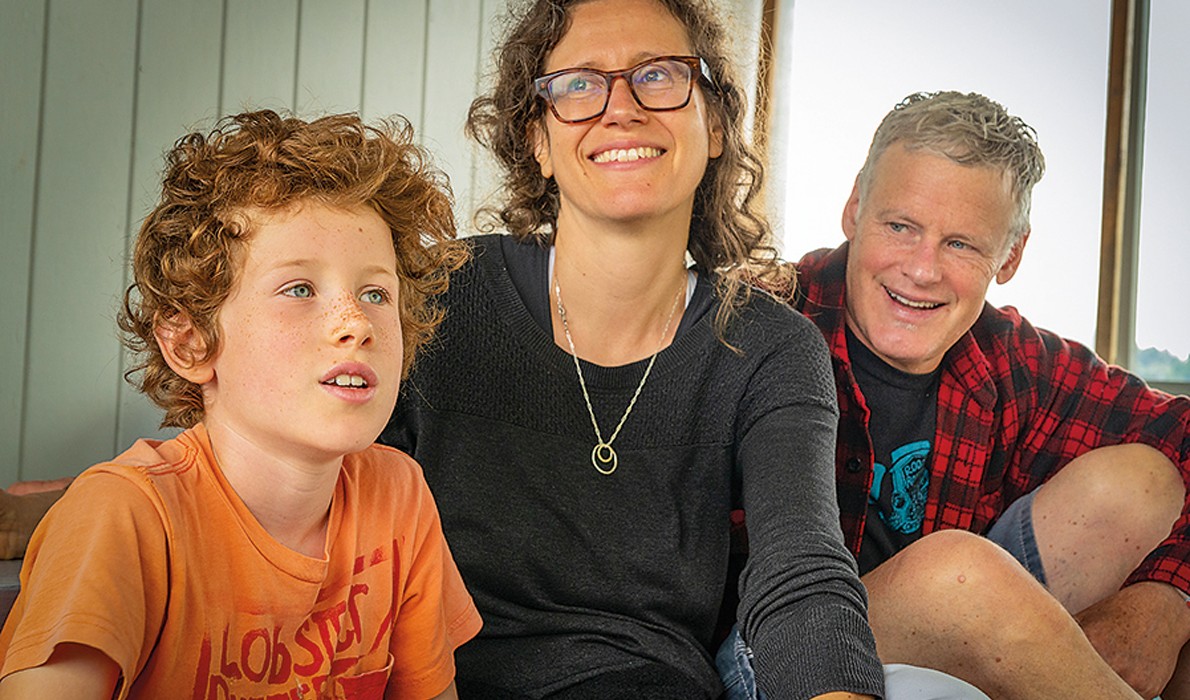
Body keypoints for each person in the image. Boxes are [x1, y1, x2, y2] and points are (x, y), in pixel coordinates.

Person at [379, 0, 888, 698]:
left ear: (712, 123)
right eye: (580, 84)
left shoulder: (771, 349)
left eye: (658, 75)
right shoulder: (432, 298)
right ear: (537, 139)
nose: (620, 108)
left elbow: (801, 573)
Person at [725, 91, 1190, 700]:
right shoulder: (757, 319)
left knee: (1144, 481)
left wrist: (1170, 599)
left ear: (1010, 256)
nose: (922, 270)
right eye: (900, 226)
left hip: (953, 638)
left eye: (961, 244)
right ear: (854, 207)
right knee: (959, 575)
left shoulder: (1010, 360)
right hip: (772, 648)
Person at [0, 110, 481, 698]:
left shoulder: (399, 494)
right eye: (299, 289)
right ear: (189, 341)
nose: (355, 323)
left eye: (375, 292)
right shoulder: (121, 517)